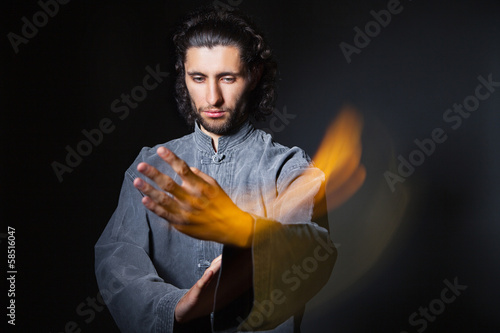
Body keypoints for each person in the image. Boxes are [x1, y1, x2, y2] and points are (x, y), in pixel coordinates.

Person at [95, 6, 337, 332]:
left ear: (254, 75)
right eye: (198, 78)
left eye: (227, 78)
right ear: (183, 76)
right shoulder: (149, 168)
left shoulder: (290, 170)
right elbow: (116, 261)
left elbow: (315, 256)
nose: (213, 97)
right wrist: (172, 307)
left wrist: (241, 228)